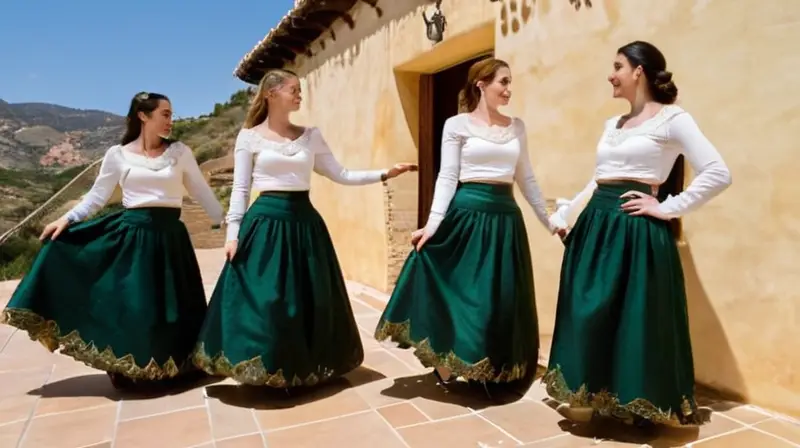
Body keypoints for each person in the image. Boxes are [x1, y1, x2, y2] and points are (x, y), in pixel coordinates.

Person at [543, 41, 732, 427]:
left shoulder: (673, 119)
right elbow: (599, 180)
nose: (610, 75)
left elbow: (718, 173)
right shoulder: (611, 125)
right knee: (590, 313)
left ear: (638, 72)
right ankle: (597, 394)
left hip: (637, 231)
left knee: (636, 317)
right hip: (596, 228)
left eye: (617, 66)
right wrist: (567, 212)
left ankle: (639, 403)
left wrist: (664, 207)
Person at [192, 69, 416, 388]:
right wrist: (232, 235)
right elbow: (241, 189)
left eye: (301, 90)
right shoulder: (249, 137)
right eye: (294, 90)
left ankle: (301, 367)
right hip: (264, 224)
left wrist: (384, 173)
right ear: (271, 94)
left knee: (305, 299)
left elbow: (341, 174)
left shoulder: (311, 136)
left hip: (304, 224)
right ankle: (267, 366)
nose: (300, 95)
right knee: (268, 299)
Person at [1, 92, 224, 390]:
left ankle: (175, 365)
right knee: (138, 306)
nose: (171, 120)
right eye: (165, 114)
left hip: (171, 238)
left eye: (171, 114)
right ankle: (133, 369)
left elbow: (201, 192)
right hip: (133, 236)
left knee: (174, 305)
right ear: (143, 116)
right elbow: (96, 198)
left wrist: (231, 223)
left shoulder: (180, 152)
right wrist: (66, 219)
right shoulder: (117, 155)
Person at [374, 58, 559, 392]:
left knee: (498, 298)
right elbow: (448, 176)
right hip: (466, 215)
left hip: (505, 218)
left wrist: (551, 223)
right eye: (503, 82)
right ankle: (448, 361)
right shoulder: (456, 125)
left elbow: (526, 178)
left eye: (509, 81)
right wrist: (432, 224)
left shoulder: (516, 127)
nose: (508, 89)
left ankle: (493, 368)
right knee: (467, 295)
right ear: (481, 85)